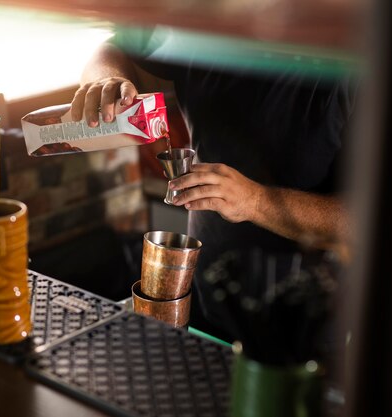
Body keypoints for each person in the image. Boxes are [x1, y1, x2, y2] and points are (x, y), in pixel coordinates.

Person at [71, 27, 355, 346]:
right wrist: (105, 81)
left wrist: (256, 202)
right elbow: (112, 49)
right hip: (209, 295)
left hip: (306, 319)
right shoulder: (211, 34)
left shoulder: (352, 70)